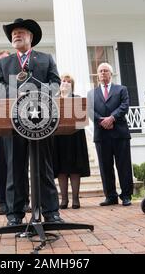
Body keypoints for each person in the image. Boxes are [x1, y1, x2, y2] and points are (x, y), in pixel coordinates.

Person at [0, 18, 63, 226]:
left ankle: (51, 212)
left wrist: (36, 92)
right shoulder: (4, 63)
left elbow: (56, 83)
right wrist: (13, 92)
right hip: (13, 123)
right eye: (13, 33)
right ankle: (15, 214)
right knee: (15, 168)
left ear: (31, 37)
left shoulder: (46, 58)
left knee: (44, 167)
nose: (16, 35)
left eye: (21, 32)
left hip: (42, 121)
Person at [0, 50, 31, 216]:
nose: (4, 64)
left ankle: (24, 201)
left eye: (7, 61)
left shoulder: (21, 79)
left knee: (21, 165)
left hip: (21, 128)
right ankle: (3, 203)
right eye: (1, 62)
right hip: (0, 129)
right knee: (2, 166)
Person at [88, 63, 134, 207]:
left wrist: (112, 118)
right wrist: (102, 121)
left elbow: (124, 106)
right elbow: (89, 110)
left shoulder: (121, 89)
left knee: (124, 166)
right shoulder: (91, 93)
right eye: (100, 71)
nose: (102, 73)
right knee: (105, 166)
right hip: (101, 134)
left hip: (120, 133)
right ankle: (111, 196)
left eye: (105, 70)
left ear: (111, 74)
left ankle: (126, 195)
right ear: (98, 75)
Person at [53, 74, 91, 210]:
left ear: (72, 85)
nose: (66, 83)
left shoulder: (78, 99)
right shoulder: (54, 100)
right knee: (61, 170)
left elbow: (82, 118)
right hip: (58, 138)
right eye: (63, 81)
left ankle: (75, 199)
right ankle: (64, 199)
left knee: (75, 169)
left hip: (75, 137)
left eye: (69, 82)